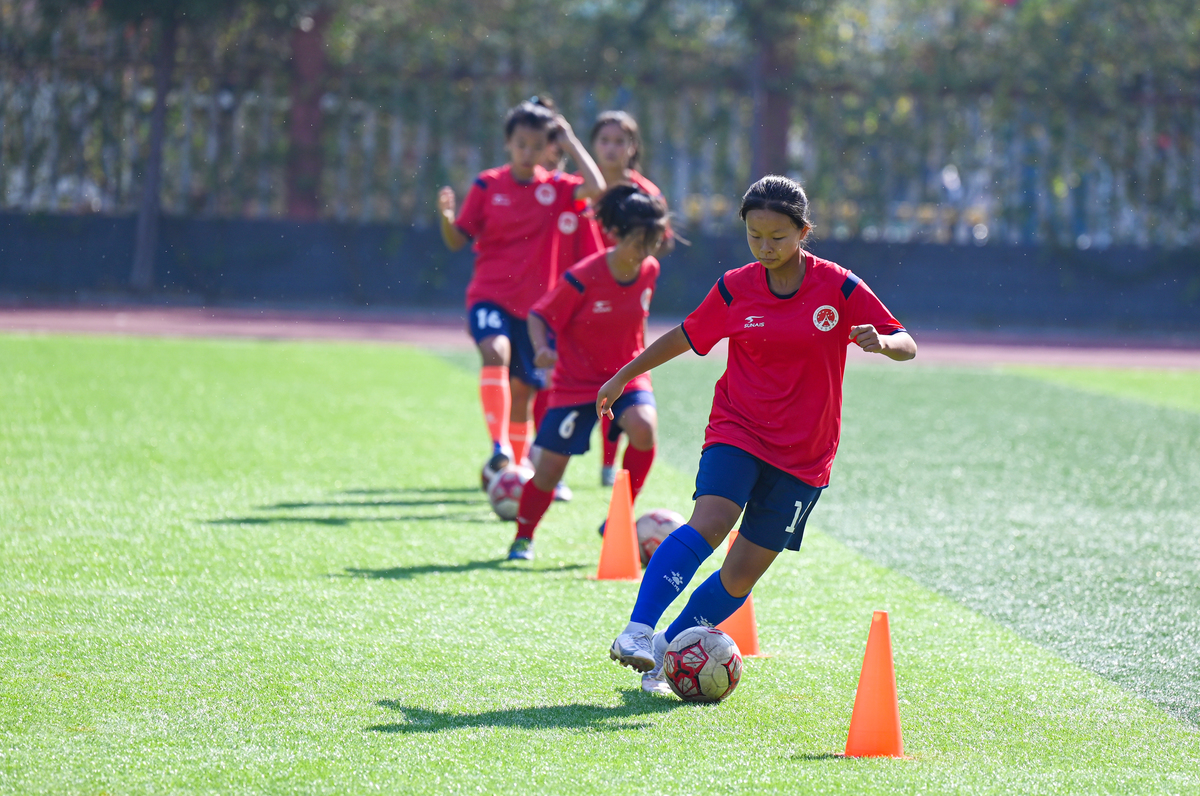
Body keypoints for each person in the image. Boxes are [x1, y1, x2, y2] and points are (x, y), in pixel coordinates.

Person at [597, 175, 917, 694]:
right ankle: (638, 628)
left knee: (742, 573)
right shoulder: (736, 286)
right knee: (713, 518)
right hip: (738, 427)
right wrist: (623, 376)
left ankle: (666, 652)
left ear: (803, 232)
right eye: (754, 236)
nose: (765, 248)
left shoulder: (838, 286)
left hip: (805, 454)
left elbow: (908, 343)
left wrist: (881, 342)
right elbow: (686, 334)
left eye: (778, 237)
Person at [438, 101, 604, 483]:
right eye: (521, 144)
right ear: (508, 144)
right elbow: (456, 239)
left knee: (524, 392)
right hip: (489, 296)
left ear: (547, 148)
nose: (528, 153)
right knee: (495, 351)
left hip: (533, 312)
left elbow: (596, 188)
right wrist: (446, 220)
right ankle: (500, 449)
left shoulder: (557, 188)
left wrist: (571, 140)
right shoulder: (487, 185)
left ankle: (515, 468)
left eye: (536, 145)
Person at [505, 185, 669, 561]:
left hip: (626, 375)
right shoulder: (583, 276)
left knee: (644, 428)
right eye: (639, 241)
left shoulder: (650, 270)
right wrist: (543, 349)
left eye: (654, 241)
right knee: (548, 472)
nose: (646, 251)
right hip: (577, 384)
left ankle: (618, 514)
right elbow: (538, 315)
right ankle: (523, 535)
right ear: (615, 234)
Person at [589, 110, 675, 487]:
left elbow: (665, 240)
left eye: (619, 141)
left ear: (633, 147)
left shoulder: (646, 193)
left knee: (621, 368)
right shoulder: (579, 187)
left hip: (626, 296)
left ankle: (610, 463)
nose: (611, 148)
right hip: (581, 296)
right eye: (604, 140)